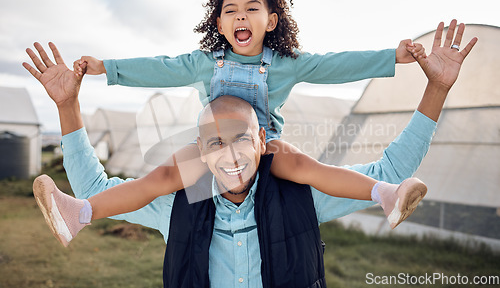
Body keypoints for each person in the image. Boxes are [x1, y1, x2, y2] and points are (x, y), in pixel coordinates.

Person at [24, 19, 476, 287]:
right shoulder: (178, 201)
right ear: (200, 151)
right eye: (215, 144)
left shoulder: (302, 194)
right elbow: (96, 191)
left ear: (262, 141)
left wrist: (435, 88)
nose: (230, 154)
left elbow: (391, 167)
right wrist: (68, 105)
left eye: (242, 138)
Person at [32, 0, 428, 242]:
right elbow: (163, 69)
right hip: (215, 147)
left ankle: (384, 194)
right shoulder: (207, 62)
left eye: (252, 9)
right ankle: (80, 213)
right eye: (231, 11)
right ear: (219, 24)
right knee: (159, 180)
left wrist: (391, 56)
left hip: (265, 146)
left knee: (308, 167)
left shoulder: (288, 65)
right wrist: (108, 68)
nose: (241, 16)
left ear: (271, 21)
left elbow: (336, 65)